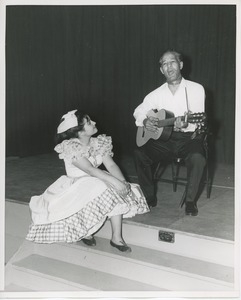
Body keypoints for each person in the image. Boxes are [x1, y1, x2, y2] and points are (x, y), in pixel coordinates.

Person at [26, 109, 149, 252]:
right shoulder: (71, 146)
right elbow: (90, 169)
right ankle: (86, 232)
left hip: (96, 180)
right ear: (80, 132)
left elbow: (110, 165)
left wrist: (122, 182)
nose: (95, 122)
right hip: (77, 184)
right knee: (105, 185)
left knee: (112, 186)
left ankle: (117, 238)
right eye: (89, 122)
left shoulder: (98, 142)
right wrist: (114, 182)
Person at [133, 50, 206, 216]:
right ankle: (149, 197)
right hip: (166, 140)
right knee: (139, 152)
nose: (169, 67)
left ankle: (190, 201)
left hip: (189, 138)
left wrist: (184, 124)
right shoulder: (157, 93)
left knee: (198, 158)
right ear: (161, 70)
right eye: (164, 64)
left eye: (172, 62)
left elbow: (198, 119)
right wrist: (145, 121)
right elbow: (138, 110)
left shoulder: (196, 89)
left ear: (180, 65)